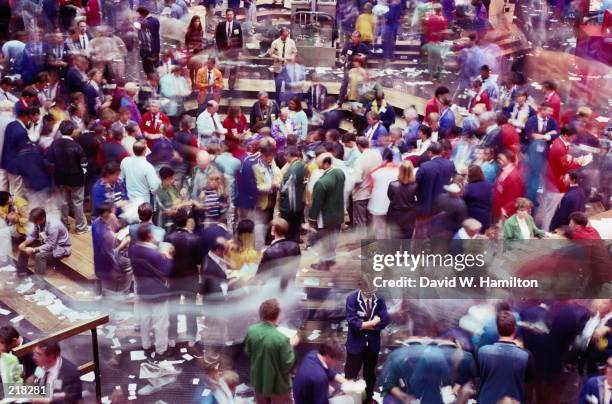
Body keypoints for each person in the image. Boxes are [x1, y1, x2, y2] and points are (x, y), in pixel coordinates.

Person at [129, 223, 174, 359]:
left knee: (145, 320)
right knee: (161, 323)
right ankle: (161, 350)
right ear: (149, 235)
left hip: (142, 289)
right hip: (158, 291)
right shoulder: (155, 254)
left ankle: (146, 346)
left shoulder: (133, 249)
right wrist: (168, 256)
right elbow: (167, 271)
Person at [244, 298, 299, 404]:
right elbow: (288, 363)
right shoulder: (282, 338)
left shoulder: (251, 331)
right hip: (278, 387)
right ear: (278, 315)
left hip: (259, 383)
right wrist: (291, 344)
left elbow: (248, 352)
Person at [345, 279, 389, 403]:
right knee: (351, 374)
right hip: (355, 345)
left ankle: (368, 399)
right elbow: (353, 323)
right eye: (367, 291)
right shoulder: (351, 299)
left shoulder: (379, 299)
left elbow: (384, 321)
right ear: (360, 287)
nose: (370, 293)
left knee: (369, 375)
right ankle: (350, 399)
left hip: (372, 345)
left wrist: (364, 324)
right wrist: (374, 322)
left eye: (373, 290)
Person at [477, 311, 535, 403]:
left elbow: (477, 377)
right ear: (514, 329)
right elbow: (529, 384)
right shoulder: (526, 356)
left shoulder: (482, 352)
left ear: (497, 329)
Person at [166, 208, 203, 351]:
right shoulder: (195, 239)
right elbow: (199, 263)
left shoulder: (169, 238)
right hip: (190, 277)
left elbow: (167, 259)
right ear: (187, 221)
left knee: (173, 309)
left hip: (174, 277)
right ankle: (191, 338)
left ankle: (172, 337)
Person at [47, 120, 89, 234]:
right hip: (76, 179)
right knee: (78, 202)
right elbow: (84, 163)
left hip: (60, 178)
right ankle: (80, 227)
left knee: (63, 202)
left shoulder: (54, 144)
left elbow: (50, 160)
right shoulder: (76, 145)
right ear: (72, 131)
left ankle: (64, 226)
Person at [308, 153, 345, 271]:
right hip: (338, 214)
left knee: (324, 241)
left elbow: (316, 204)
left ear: (325, 163)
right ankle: (331, 259)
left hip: (325, 217)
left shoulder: (321, 183)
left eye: (319, 164)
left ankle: (323, 264)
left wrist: (311, 220)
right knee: (333, 239)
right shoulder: (340, 173)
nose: (317, 166)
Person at [92, 203, 132, 295]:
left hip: (98, 260)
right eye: (111, 212)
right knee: (129, 265)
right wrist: (124, 242)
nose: (113, 213)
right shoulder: (107, 235)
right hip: (108, 264)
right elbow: (113, 253)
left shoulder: (96, 222)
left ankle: (101, 292)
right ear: (106, 214)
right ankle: (125, 293)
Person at [17, 208, 71, 276]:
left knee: (40, 256)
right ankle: (21, 272)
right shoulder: (39, 221)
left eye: (35, 222)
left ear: (41, 219)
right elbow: (33, 235)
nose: (34, 223)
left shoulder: (53, 226)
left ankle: (39, 281)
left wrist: (33, 250)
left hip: (60, 247)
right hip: (47, 242)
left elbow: (51, 245)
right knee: (24, 249)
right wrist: (24, 243)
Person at [2, 106, 38, 198]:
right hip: (17, 168)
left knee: (9, 191)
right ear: (24, 116)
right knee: (17, 194)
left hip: (7, 163)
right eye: (29, 117)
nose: (29, 120)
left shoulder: (11, 125)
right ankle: (15, 211)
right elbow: (24, 153)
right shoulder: (20, 132)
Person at [253, 141, 282, 250]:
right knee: (259, 229)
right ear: (263, 155)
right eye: (268, 157)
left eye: (272, 157)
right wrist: (271, 185)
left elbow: (279, 176)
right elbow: (256, 187)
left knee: (269, 228)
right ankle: (259, 250)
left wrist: (276, 179)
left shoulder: (272, 163)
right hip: (261, 204)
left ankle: (268, 249)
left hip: (272, 202)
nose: (271, 159)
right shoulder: (255, 167)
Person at [367, 149, 398, 239]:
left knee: (379, 226)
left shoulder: (375, 172)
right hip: (394, 203)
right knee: (393, 228)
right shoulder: (399, 170)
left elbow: (370, 187)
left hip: (377, 203)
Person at [278, 146, 306, 242]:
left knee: (289, 224)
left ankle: (290, 241)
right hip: (298, 199)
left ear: (289, 155)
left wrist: (278, 186)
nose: (284, 158)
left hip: (290, 202)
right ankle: (295, 238)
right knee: (296, 223)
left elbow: (286, 186)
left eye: (285, 156)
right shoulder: (301, 164)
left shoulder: (294, 168)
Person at [386, 161, 418, 239]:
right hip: (409, 216)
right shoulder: (415, 186)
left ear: (400, 171)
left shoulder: (392, 185)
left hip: (395, 215)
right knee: (406, 243)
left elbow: (390, 197)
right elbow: (418, 199)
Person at [214, 9, 243, 89]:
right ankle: (220, 84)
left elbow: (240, 39)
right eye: (228, 14)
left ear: (233, 15)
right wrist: (219, 50)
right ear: (226, 15)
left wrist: (239, 51)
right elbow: (217, 38)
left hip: (234, 51)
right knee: (222, 68)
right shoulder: (221, 25)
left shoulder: (237, 25)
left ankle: (231, 86)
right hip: (223, 51)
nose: (230, 16)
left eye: (231, 14)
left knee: (233, 69)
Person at [268, 28, 297, 105]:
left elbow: (294, 52)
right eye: (284, 35)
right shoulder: (275, 43)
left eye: (287, 35)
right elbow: (271, 53)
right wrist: (277, 57)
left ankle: (288, 103)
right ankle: (277, 103)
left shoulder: (291, 42)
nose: (286, 37)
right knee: (278, 87)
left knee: (288, 87)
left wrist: (292, 57)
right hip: (278, 68)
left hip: (288, 68)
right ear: (281, 34)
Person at [492, 151, 523, 221]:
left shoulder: (513, 177)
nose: (499, 161)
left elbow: (513, 198)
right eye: (498, 159)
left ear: (508, 160)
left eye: (501, 159)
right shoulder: (504, 170)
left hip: (504, 213)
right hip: (497, 208)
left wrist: (504, 212)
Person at [463, 164, 493, 231]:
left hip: (473, 219)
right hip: (486, 218)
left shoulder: (469, 188)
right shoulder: (489, 185)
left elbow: (463, 200)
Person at [136, 7, 161, 74]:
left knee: (149, 71)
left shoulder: (145, 23)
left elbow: (144, 37)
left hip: (148, 51)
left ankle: (153, 83)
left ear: (142, 14)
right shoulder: (155, 20)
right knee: (157, 69)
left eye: (139, 14)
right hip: (156, 49)